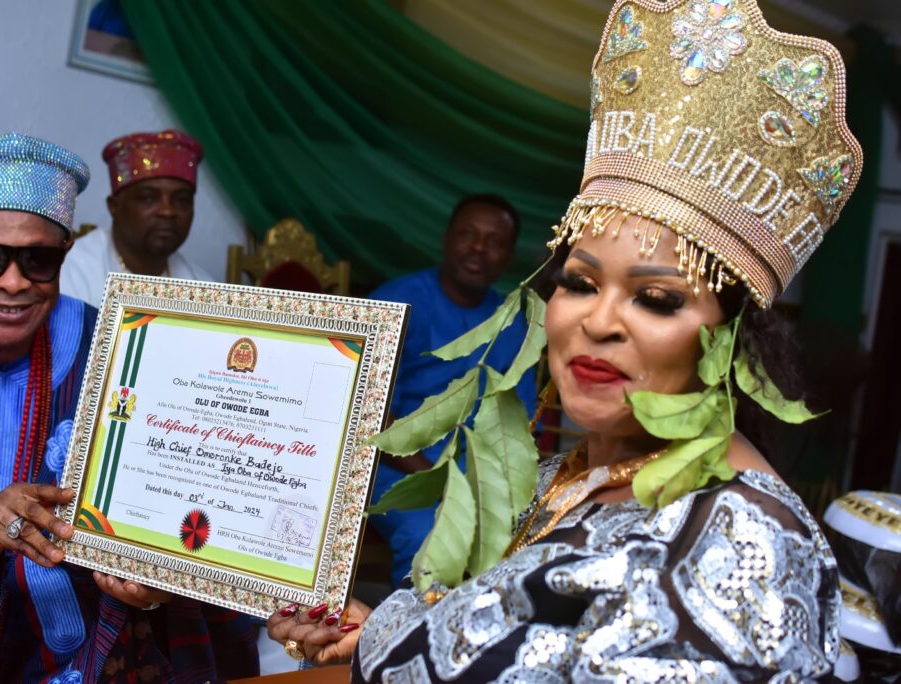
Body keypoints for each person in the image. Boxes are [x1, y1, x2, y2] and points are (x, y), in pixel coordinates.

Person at [266, 0, 860, 680]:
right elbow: (475, 635)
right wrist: (379, 635)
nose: (598, 321)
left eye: (657, 298)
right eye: (579, 283)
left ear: (730, 339)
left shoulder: (743, 547)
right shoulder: (557, 480)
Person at [0, 133, 256, 682]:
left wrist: (152, 574)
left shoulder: (113, 345)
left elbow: (175, 503)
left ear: (64, 255)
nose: (12, 283)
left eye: (38, 259)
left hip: (82, 631)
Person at [366, 194, 538, 587]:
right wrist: (438, 482)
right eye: (468, 235)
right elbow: (366, 414)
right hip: (398, 469)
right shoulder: (397, 302)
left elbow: (517, 423)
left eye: (494, 242)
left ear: (510, 256)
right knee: (432, 539)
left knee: (527, 539)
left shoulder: (512, 323)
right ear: (446, 239)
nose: (479, 248)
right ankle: (407, 642)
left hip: (478, 473)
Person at [61, 129, 209, 305]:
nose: (168, 211)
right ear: (114, 207)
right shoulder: (69, 273)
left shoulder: (205, 289)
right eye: (148, 198)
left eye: (182, 200)